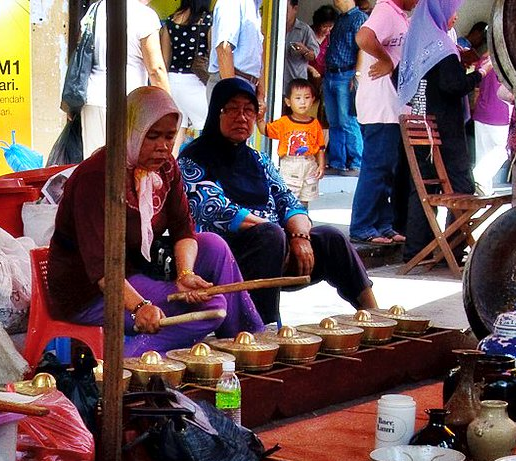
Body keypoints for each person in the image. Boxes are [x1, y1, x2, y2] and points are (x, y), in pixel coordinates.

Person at [46, 87, 262, 355]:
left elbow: (184, 230)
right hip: (88, 291)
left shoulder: (167, 168)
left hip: (138, 270)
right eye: (153, 136)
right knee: (210, 308)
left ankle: (244, 344)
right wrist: (139, 307)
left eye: (170, 137)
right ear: (130, 131)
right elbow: (102, 268)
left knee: (215, 247)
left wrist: (186, 274)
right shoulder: (96, 176)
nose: (163, 147)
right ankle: (128, 363)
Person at [181, 78, 380, 325]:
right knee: (270, 235)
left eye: (249, 110)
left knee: (331, 238)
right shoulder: (194, 158)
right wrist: (277, 236)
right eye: (232, 109)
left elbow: (287, 199)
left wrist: (298, 237)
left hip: (277, 247)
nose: (241, 117)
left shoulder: (258, 159)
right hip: (224, 257)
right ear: (216, 112)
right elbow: (214, 208)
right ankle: (265, 327)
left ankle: (376, 315)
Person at [397, 0, 482, 261]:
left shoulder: (418, 41)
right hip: (444, 131)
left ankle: (416, 251)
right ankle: (453, 250)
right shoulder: (442, 47)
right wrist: (480, 74)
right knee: (462, 187)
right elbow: (451, 85)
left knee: (421, 190)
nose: (455, 16)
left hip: (420, 124)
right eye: (452, 10)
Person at [350, 0, 415, 246]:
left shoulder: (399, 14)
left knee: (388, 169)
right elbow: (364, 38)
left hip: (391, 106)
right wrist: (385, 60)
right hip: (379, 106)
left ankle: (382, 223)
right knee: (376, 168)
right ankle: (363, 224)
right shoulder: (386, 10)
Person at [82, 0, 170, 156]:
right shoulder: (145, 15)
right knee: (127, 164)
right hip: (130, 100)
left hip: (93, 97)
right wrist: (167, 107)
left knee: (93, 164)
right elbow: (156, 69)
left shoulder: (96, 8)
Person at [321, 0, 367, 174]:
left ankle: (356, 162)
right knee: (334, 122)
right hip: (332, 73)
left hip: (346, 73)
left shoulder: (359, 18)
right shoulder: (341, 18)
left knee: (347, 120)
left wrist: (357, 75)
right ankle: (337, 162)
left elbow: (362, 48)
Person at [267, 79, 326, 205]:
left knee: (305, 198)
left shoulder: (315, 124)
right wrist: (259, 118)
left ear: (313, 100)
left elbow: (320, 147)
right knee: (288, 198)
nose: (303, 102)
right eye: (298, 98)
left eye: (307, 97)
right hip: (290, 164)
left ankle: (303, 221)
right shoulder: (283, 122)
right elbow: (265, 130)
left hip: (309, 163)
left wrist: (321, 165)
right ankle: (289, 222)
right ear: (288, 102)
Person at [161, 0, 213, 140]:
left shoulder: (171, 21)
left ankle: (170, 161)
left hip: (173, 82)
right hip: (197, 83)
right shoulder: (208, 21)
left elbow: (164, 61)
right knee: (210, 129)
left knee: (176, 133)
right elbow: (213, 56)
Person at [212, 0, 265, 114]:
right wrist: (233, 95)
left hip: (246, 85)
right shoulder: (233, 2)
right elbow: (223, 48)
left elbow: (258, 53)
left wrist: (260, 94)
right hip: (231, 82)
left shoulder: (254, 5)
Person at [471, 51, 513, 194]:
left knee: (482, 155)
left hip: (482, 111)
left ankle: (484, 193)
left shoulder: (483, 59)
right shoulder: (507, 58)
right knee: (504, 150)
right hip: (500, 113)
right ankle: (478, 176)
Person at [283, 0, 319, 88]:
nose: (282, 13)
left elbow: (313, 55)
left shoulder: (304, 30)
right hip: (274, 83)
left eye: (286, 10)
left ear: (295, 9)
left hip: (296, 84)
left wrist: (304, 50)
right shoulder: (272, 28)